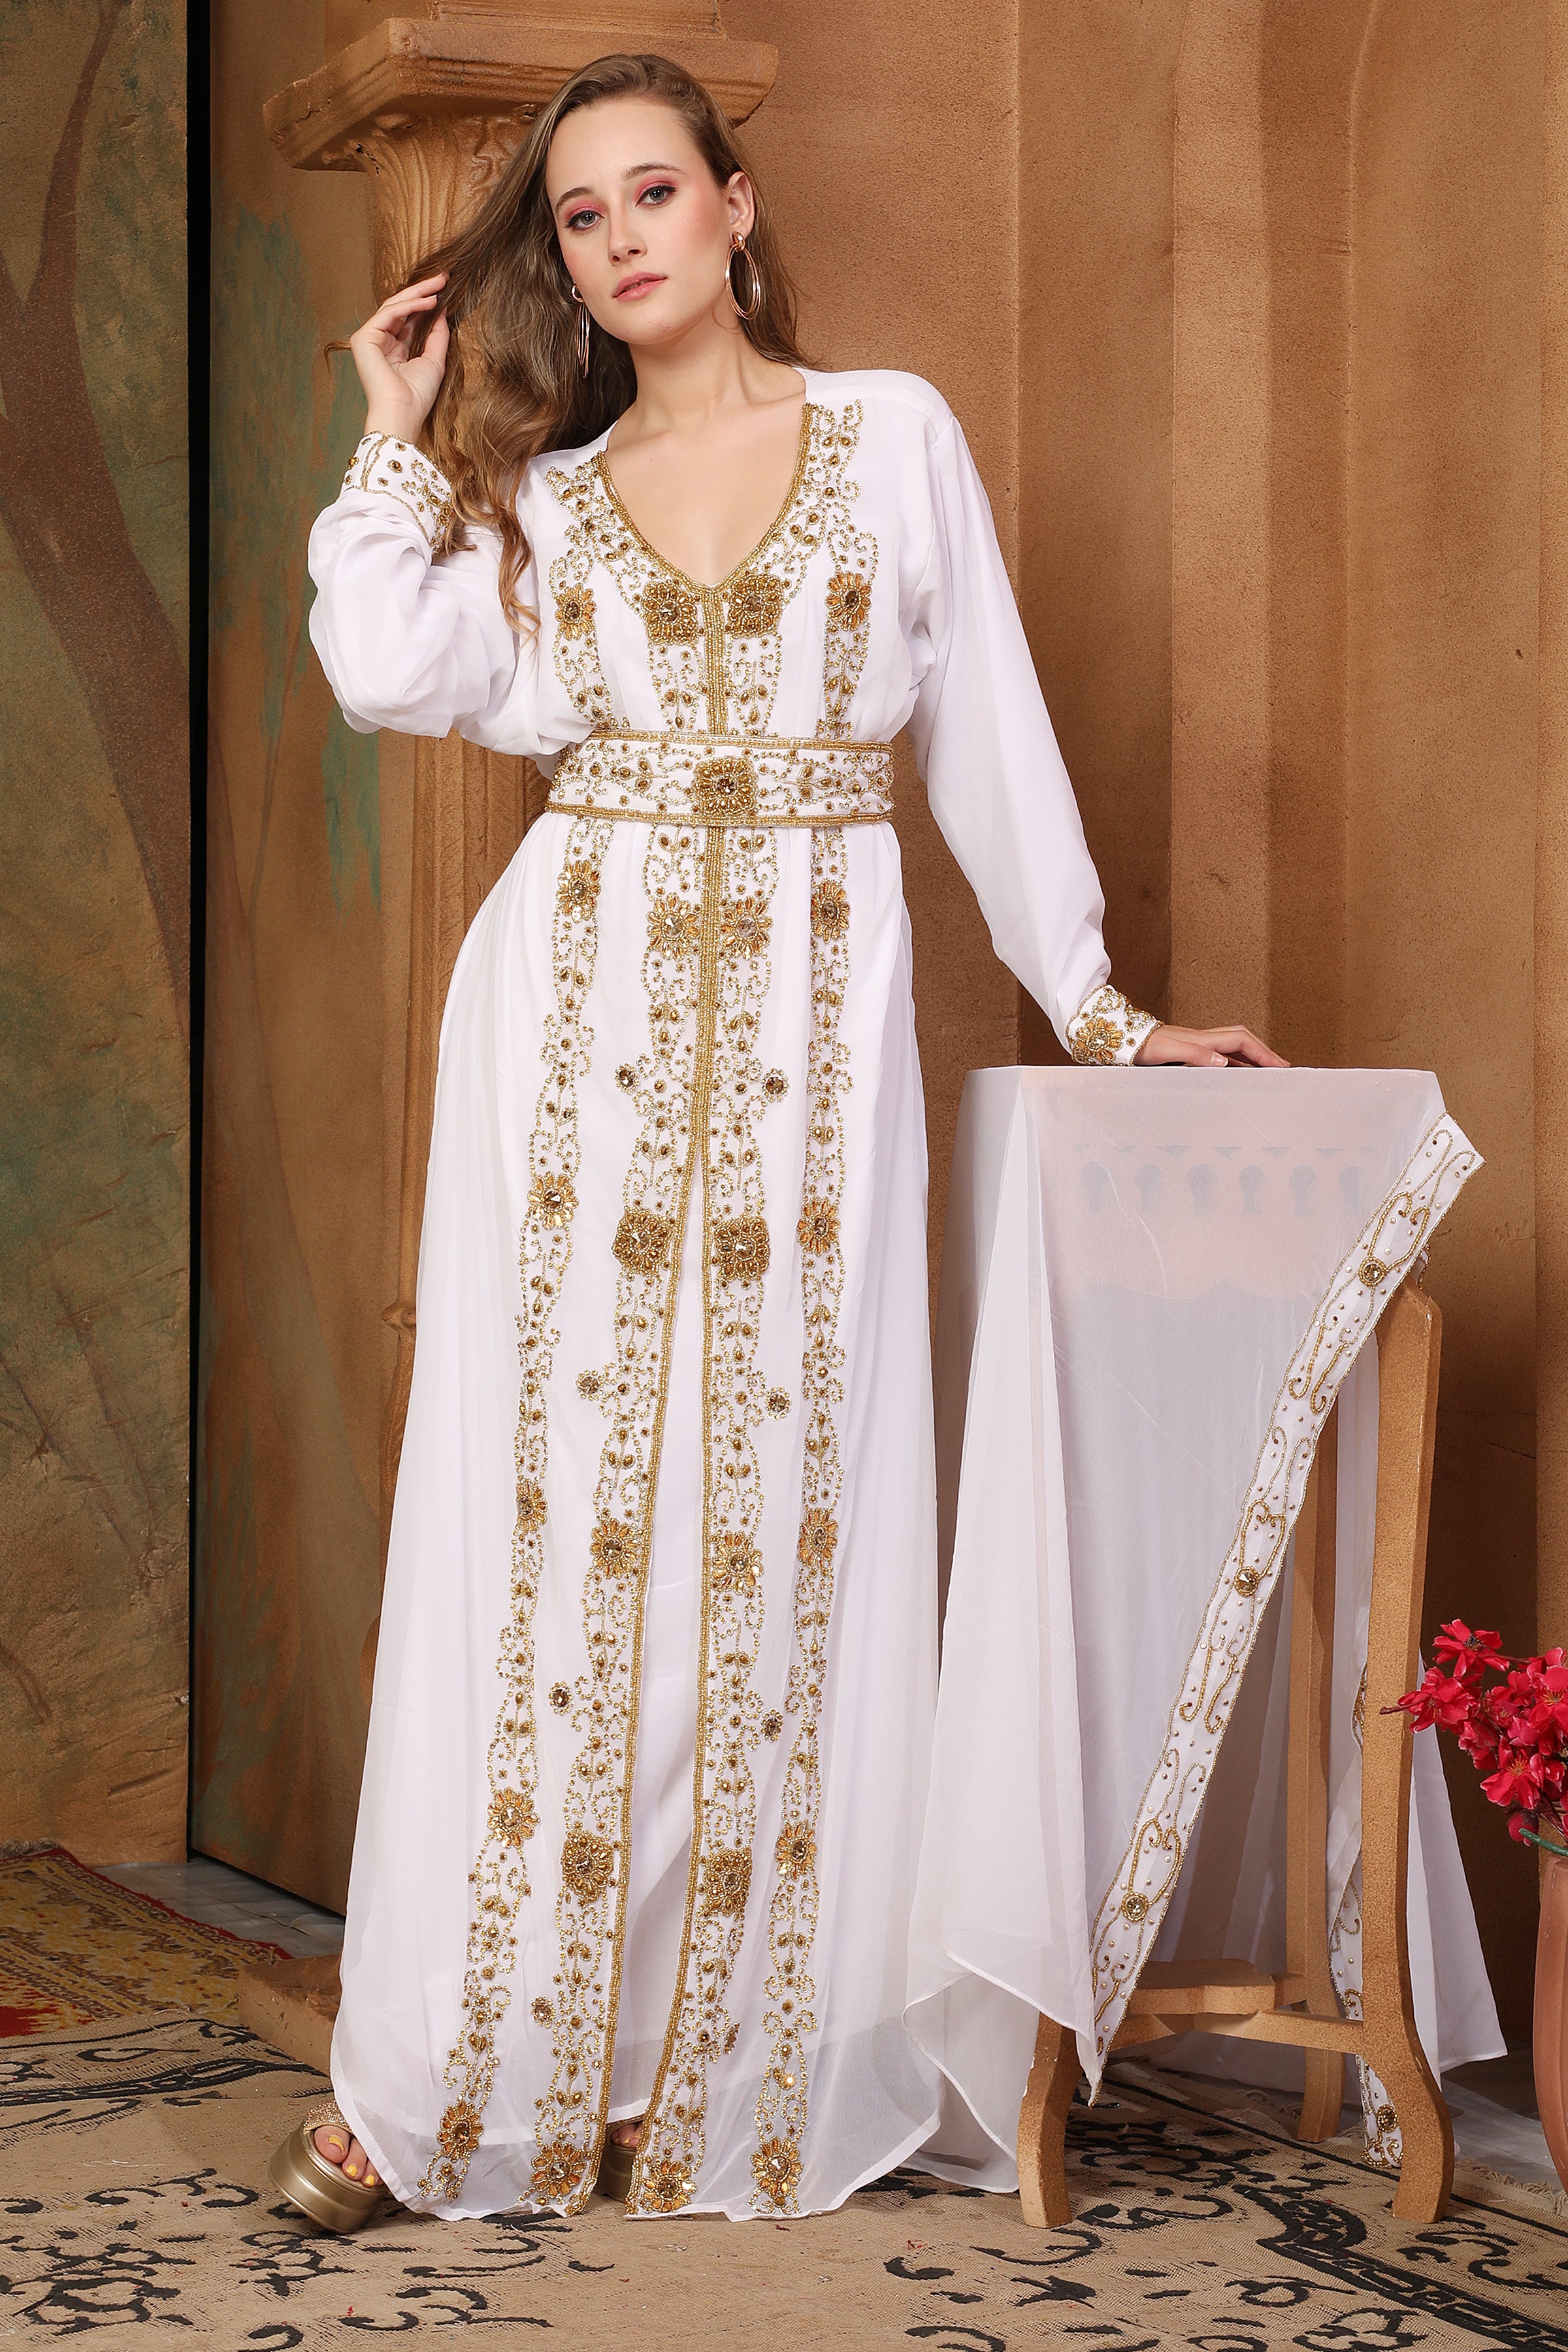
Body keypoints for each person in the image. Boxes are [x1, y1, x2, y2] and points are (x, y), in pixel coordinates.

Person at [268, 50, 1283, 2233]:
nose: (623, 237)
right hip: (572, 1039)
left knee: (777, 1521)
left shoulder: (892, 436)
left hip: (819, 1046)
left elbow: (987, 733)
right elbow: (380, 667)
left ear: (734, 208)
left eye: (656, 192)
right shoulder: (543, 504)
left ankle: (721, 2055)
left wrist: (1100, 1009)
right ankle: (454, 2062)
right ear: (566, 264)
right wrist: (394, 429)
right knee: (548, 1530)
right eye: (584, 215)